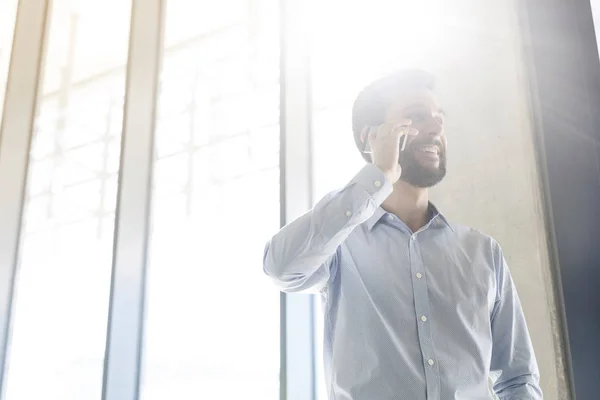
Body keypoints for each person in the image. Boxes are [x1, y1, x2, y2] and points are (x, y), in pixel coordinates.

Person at [263, 70, 543, 400]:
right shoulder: (340, 244)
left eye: (440, 119)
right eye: (417, 116)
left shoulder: (484, 252)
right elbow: (280, 267)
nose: (437, 128)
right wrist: (378, 175)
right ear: (373, 138)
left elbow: (518, 379)